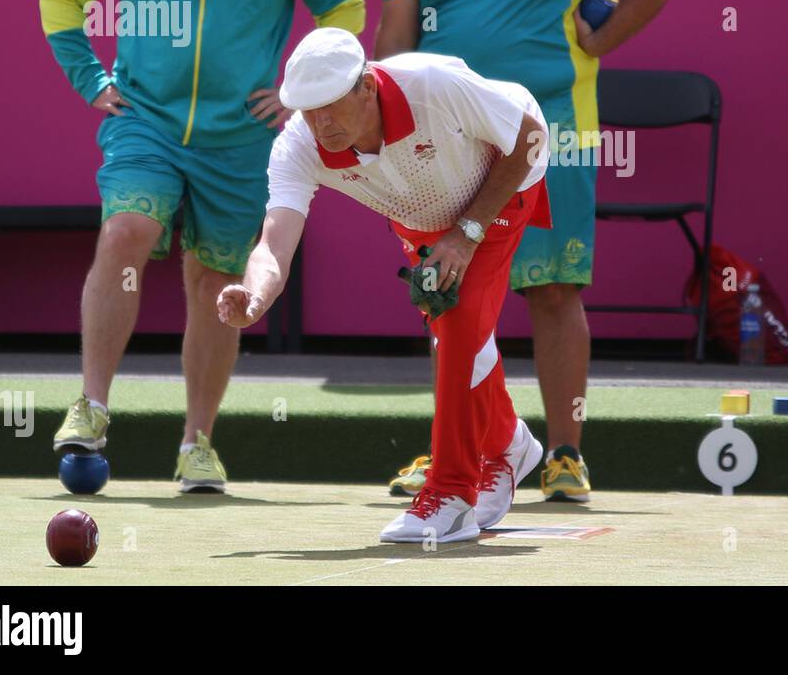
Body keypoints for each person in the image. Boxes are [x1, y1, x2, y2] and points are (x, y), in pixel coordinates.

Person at [41, 0, 364, 491]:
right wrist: (91, 81)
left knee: (216, 285)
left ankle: (197, 444)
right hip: (146, 123)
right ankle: (92, 406)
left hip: (239, 140)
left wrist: (296, 94)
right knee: (127, 231)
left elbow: (345, 13)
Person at [374, 0, 682, 501]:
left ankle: (565, 453)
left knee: (553, 289)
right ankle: (454, 447)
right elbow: (395, 37)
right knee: (445, 294)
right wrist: (386, 125)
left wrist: (602, 38)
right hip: (447, 140)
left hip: (551, 131)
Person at [217, 28, 552, 542]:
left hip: (502, 180)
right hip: (422, 216)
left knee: (459, 324)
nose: (320, 123)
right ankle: (510, 442)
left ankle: (453, 493)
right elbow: (274, 244)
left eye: (330, 106)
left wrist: (466, 234)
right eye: (308, 109)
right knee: (458, 334)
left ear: (367, 87)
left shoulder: (432, 84)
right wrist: (255, 293)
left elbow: (528, 139)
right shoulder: (298, 147)